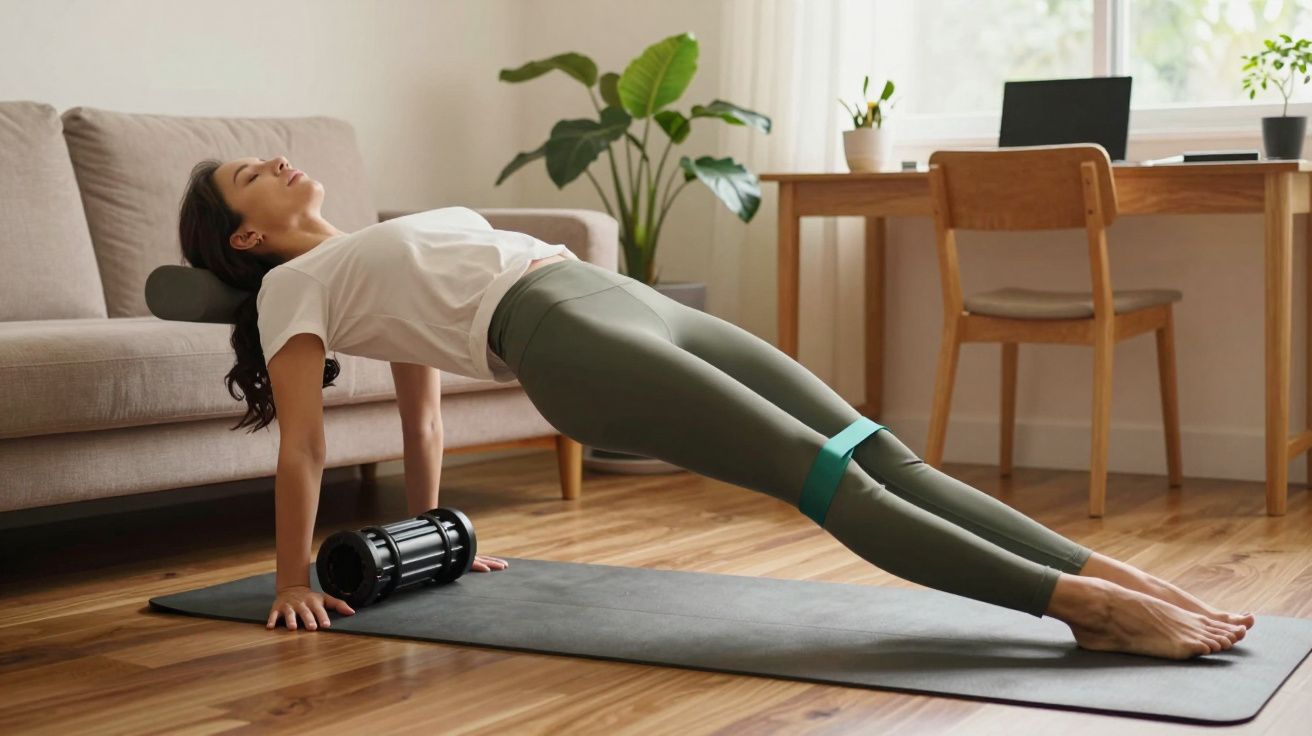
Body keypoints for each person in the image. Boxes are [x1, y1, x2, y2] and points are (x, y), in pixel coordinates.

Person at [177, 155, 1254, 659]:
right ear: (246, 238)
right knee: (814, 470)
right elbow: (307, 447)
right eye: (245, 178)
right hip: (569, 338)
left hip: (626, 304)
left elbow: (424, 418)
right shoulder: (290, 289)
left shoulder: (364, 250)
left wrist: (441, 539)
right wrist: (288, 577)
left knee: (876, 448)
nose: (273, 161)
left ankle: (1110, 571)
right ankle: (1081, 610)